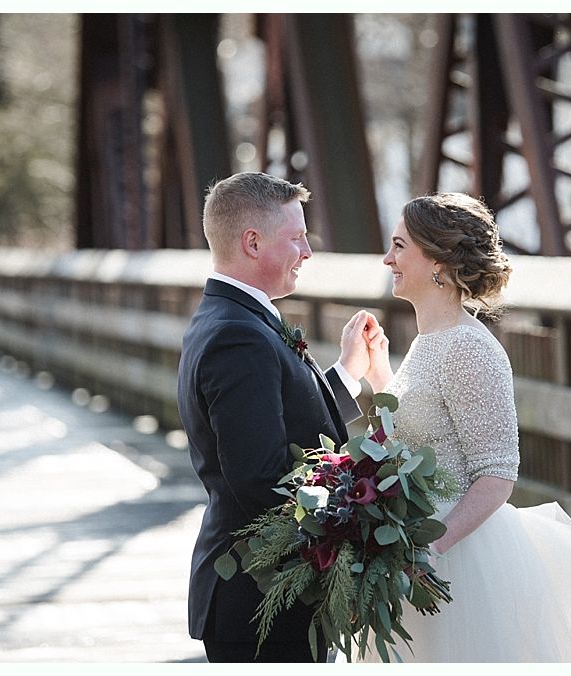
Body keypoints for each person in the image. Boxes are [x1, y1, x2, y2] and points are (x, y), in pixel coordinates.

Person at [356, 193, 571, 662]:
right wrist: (379, 378)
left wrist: (429, 550)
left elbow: (496, 475)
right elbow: (424, 433)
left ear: (438, 262)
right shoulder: (429, 340)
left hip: (457, 558)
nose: (388, 259)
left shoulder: (470, 349)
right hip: (413, 550)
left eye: (399, 246)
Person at [176, 172, 382, 663]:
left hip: (261, 596)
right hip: (259, 598)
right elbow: (262, 478)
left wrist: (348, 373)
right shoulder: (239, 337)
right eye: (296, 237)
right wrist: (350, 535)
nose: (308, 250)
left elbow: (282, 425)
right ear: (252, 242)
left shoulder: (232, 318)